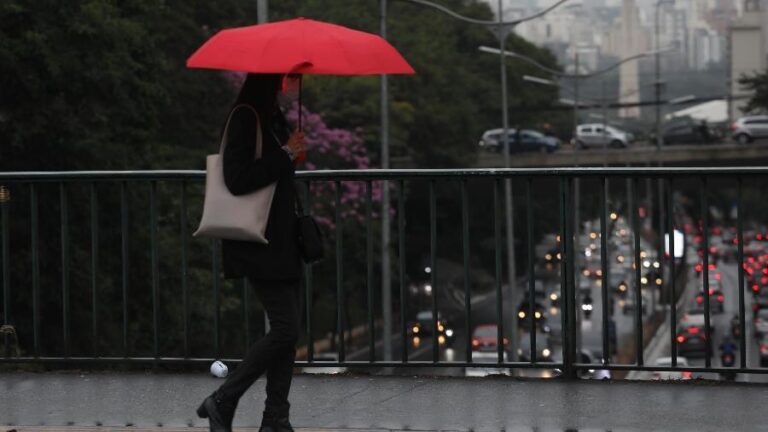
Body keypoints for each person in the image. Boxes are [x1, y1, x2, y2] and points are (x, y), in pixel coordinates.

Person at [196, 73, 305, 432]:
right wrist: (286, 153)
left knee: (289, 332)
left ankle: (276, 417)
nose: (292, 84)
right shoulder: (246, 116)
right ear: (271, 79)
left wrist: (291, 154)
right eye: (288, 77)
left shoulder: (271, 116)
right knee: (286, 328)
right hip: (259, 242)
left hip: (282, 241)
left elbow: (277, 170)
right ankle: (224, 398)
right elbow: (238, 178)